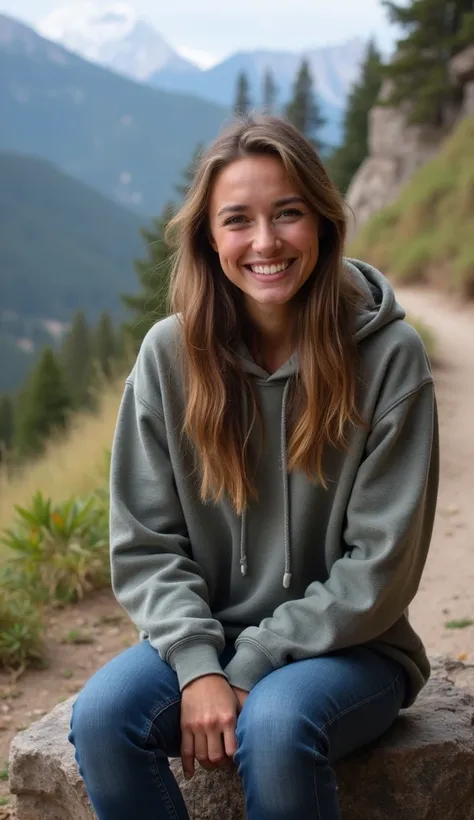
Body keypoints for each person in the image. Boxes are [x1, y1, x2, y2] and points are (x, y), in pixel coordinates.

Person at [69, 114, 439, 820]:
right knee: (102, 719)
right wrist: (198, 662)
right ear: (210, 239)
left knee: (272, 727)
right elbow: (146, 543)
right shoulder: (170, 356)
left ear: (324, 224)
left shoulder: (390, 359)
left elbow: (381, 564)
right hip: (206, 632)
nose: (265, 242)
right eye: (237, 220)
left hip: (353, 649)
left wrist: (246, 667)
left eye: (288, 215)